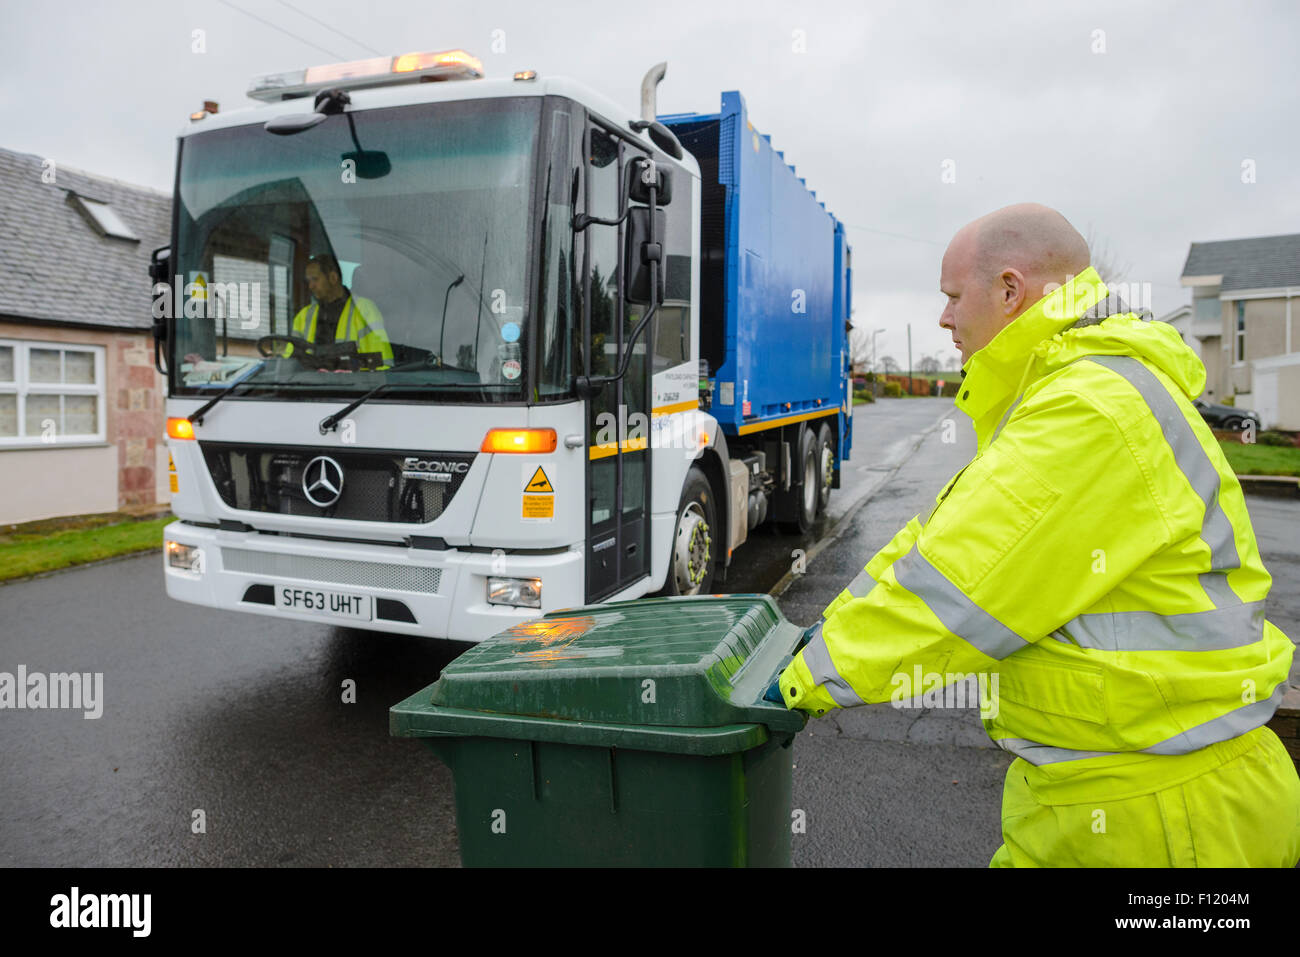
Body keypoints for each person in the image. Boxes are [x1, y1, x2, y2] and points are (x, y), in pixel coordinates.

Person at [773, 202, 1300, 867]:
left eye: (953, 296)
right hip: (1139, 795)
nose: (944, 318)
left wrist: (799, 680)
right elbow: (939, 545)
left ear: (1010, 291)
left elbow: (954, 590)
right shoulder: (1076, 391)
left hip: (1161, 817)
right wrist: (825, 629)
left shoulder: (1085, 409)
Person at [286, 254, 393, 367]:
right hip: (312, 383)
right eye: (308, 281)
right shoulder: (303, 316)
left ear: (333, 278)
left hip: (355, 384)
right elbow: (291, 365)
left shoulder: (365, 310)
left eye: (315, 279)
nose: (310, 286)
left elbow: (381, 363)